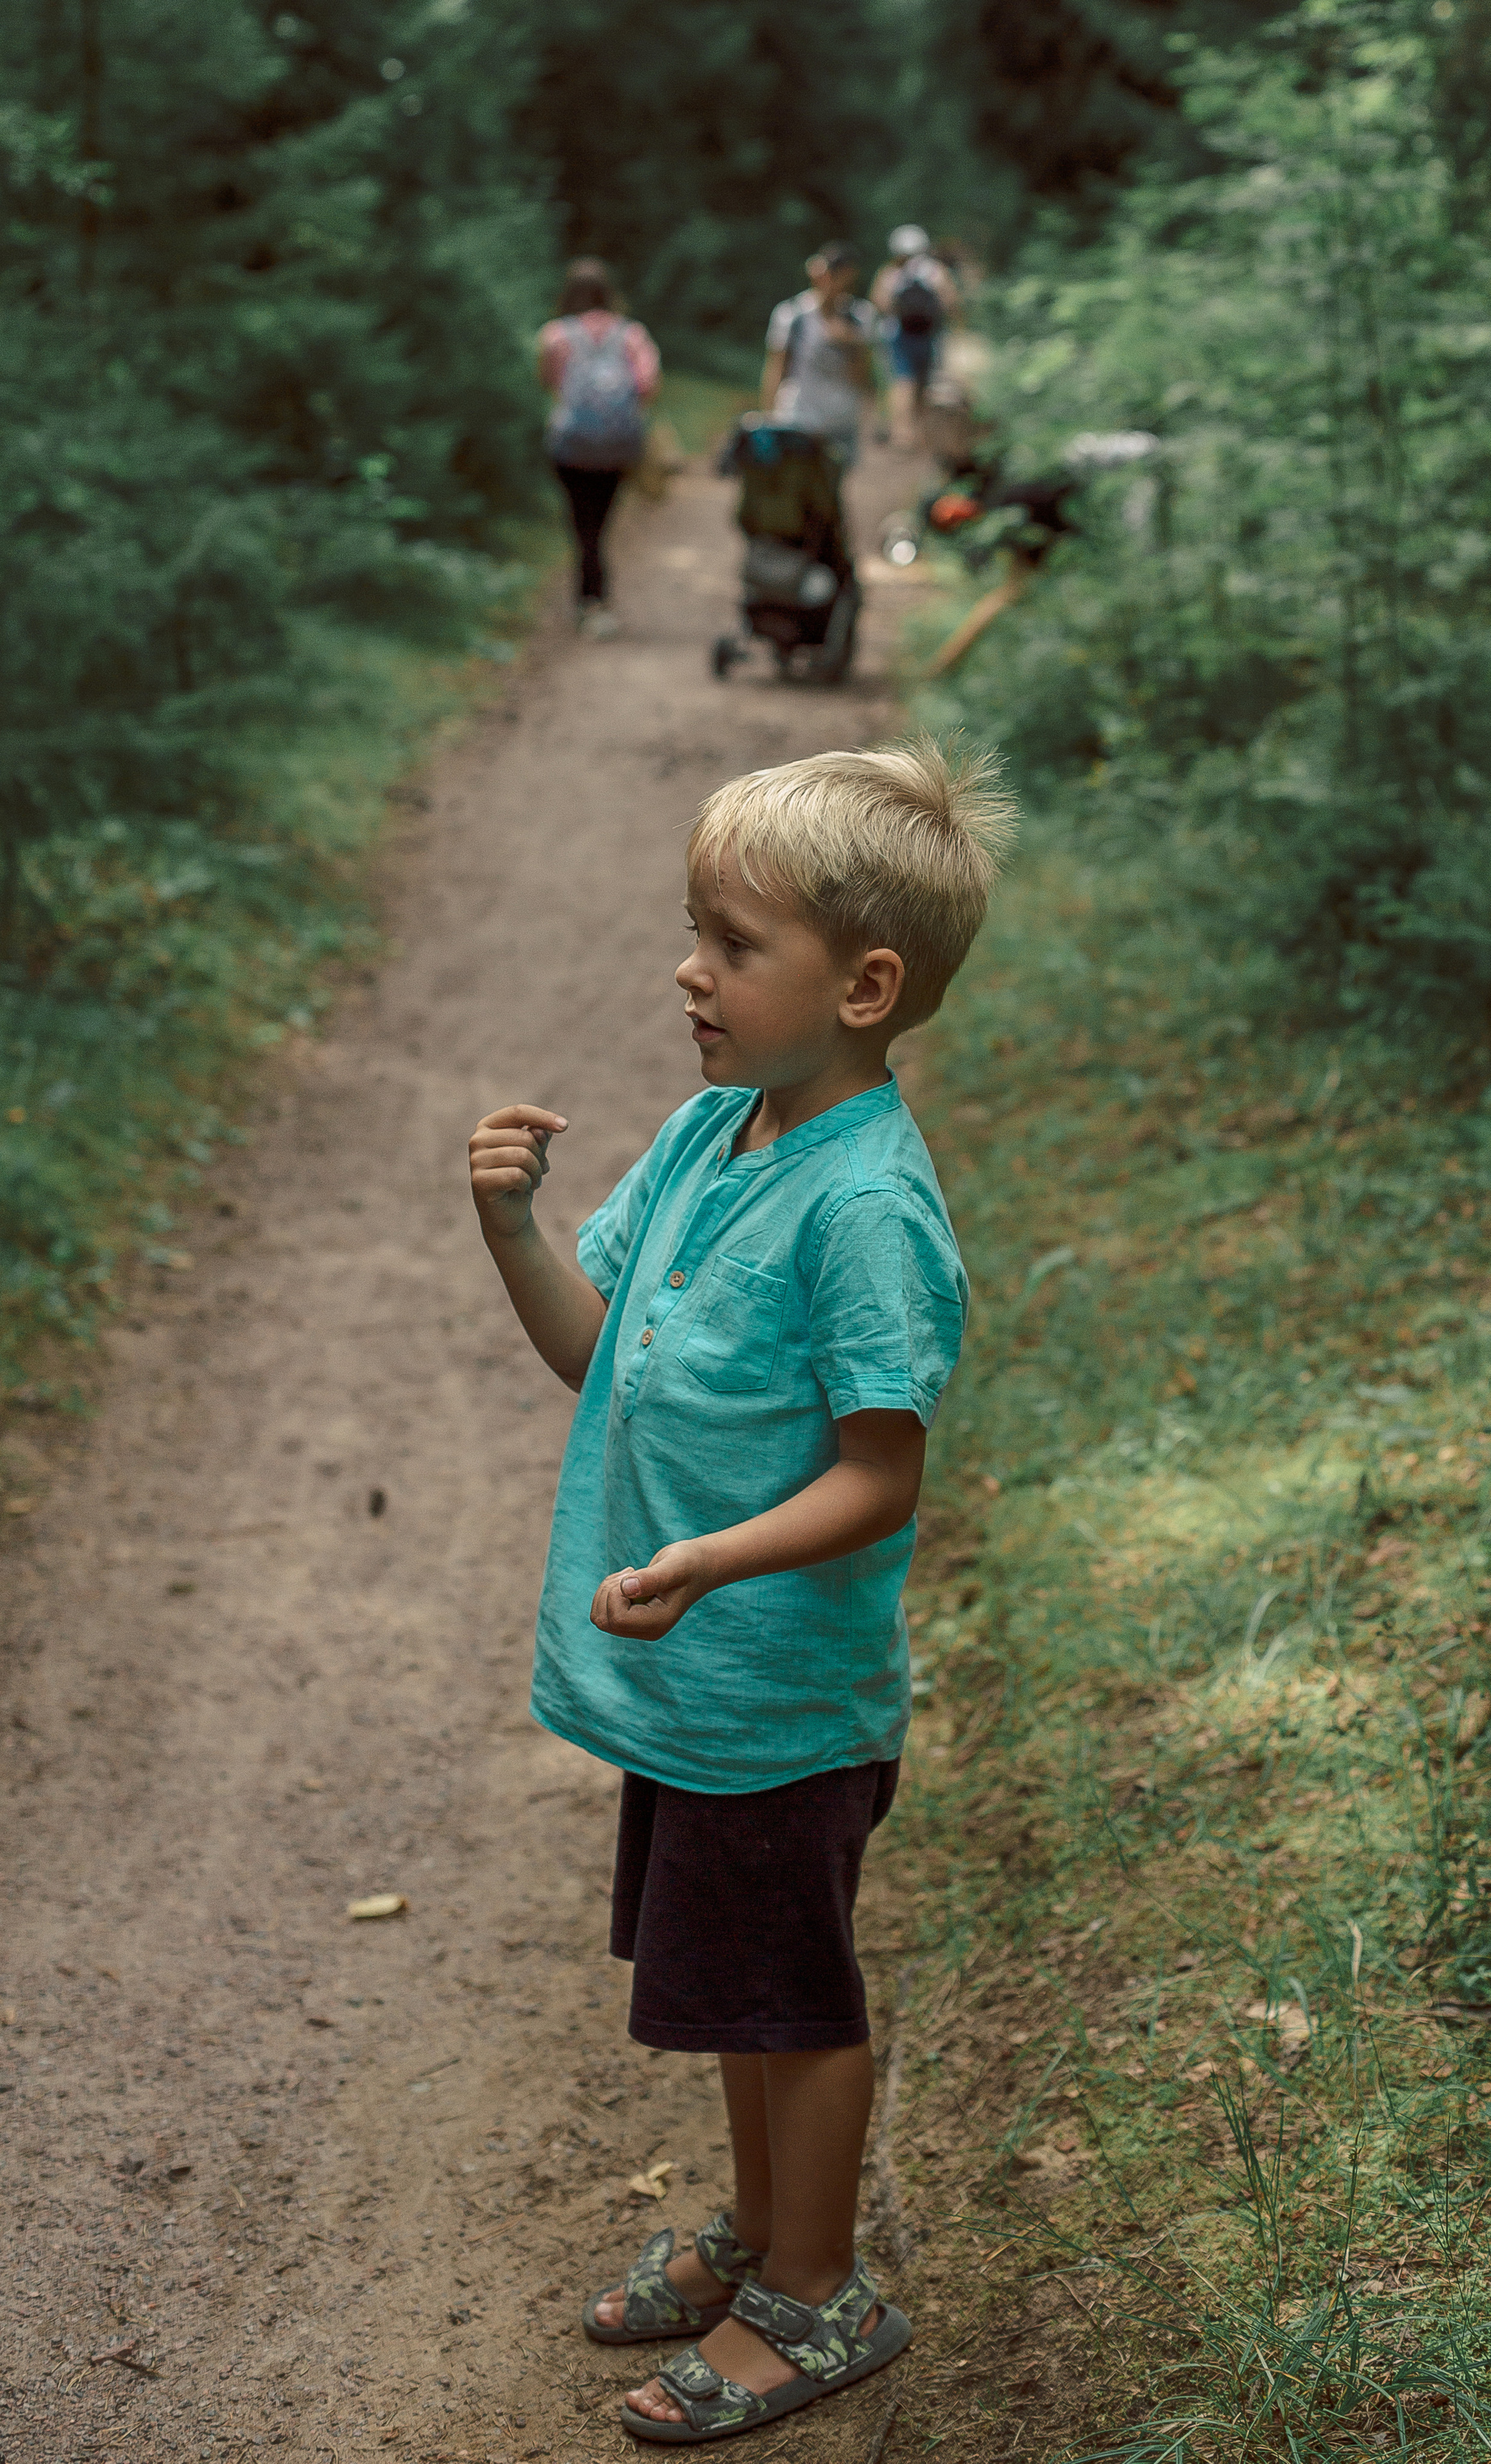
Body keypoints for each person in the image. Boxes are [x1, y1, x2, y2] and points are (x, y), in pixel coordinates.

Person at [466, 738, 1016, 2443]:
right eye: (693, 931)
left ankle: (817, 2293)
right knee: (734, 1990)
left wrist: (709, 1558)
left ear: (865, 986)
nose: (688, 973)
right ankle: (768, 2228)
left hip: (781, 1691)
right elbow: (600, 1351)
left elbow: (882, 1473)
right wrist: (517, 1235)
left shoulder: (865, 1209)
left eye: (732, 943)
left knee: (794, 1994)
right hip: (699, 1693)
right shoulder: (716, 1135)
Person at [537, 257, 660, 638]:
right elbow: (648, 385)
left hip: (571, 445)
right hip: (617, 447)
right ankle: (595, 599)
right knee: (599, 525)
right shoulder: (631, 335)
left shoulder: (556, 335)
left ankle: (588, 600)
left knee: (581, 525)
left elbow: (550, 383)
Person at [760, 243, 877, 470]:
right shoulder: (791, 315)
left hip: (841, 421)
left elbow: (862, 378)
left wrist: (851, 344)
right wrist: (769, 417)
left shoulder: (862, 317)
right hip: (798, 418)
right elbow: (777, 368)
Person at [869, 224, 958, 452]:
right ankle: (924, 434)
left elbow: (878, 301)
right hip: (930, 335)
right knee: (927, 382)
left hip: (899, 335)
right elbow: (951, 301)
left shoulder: (890, 273)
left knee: (902, 382)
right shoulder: (935, 271)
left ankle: (902, 434)